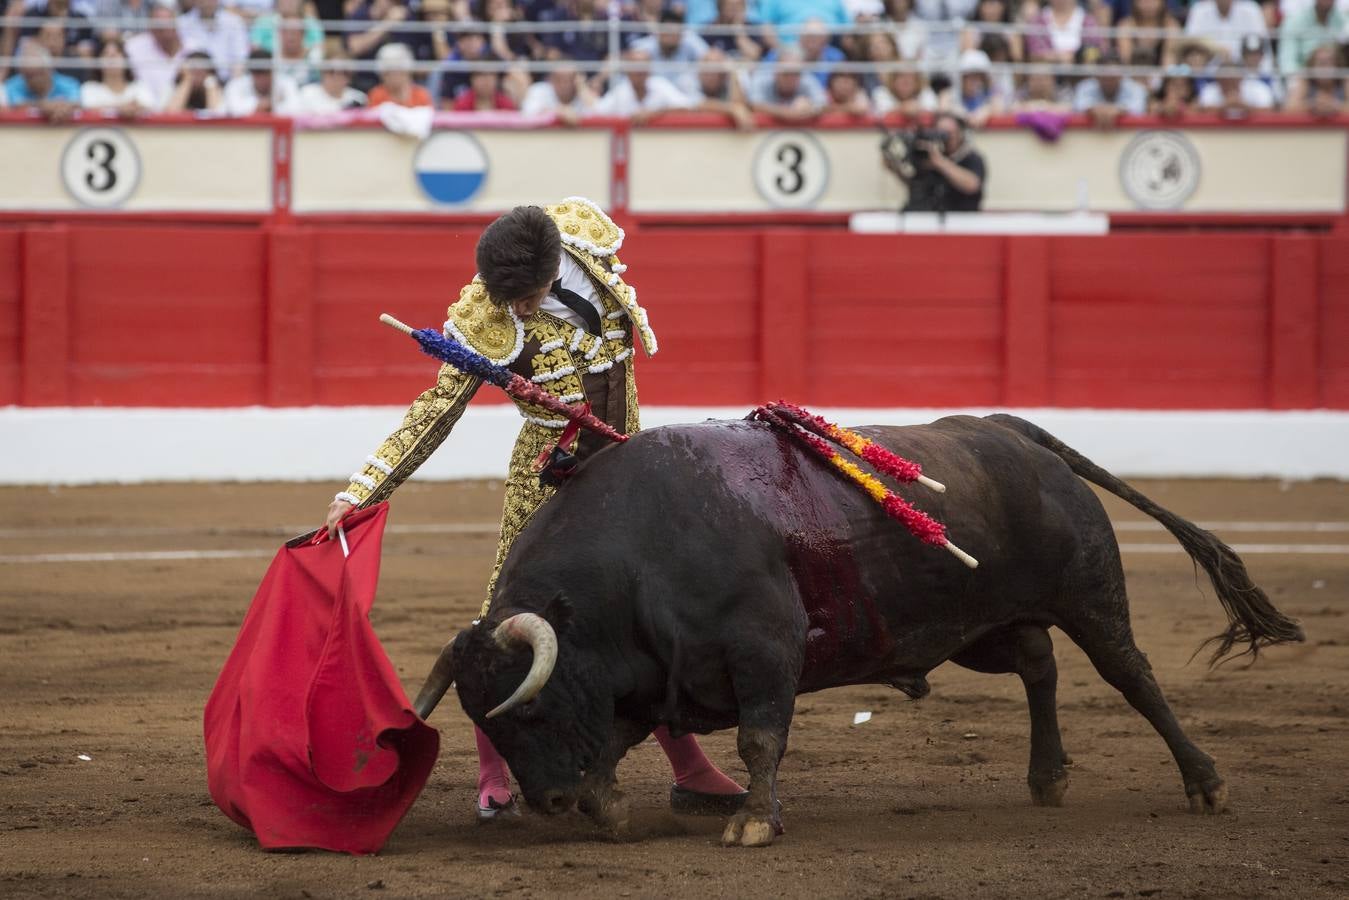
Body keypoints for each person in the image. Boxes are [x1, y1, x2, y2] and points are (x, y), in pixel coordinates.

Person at [323, 201, 747, 820]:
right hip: (547, 480)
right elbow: (436, 410)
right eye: (507, 299)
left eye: (526, 297)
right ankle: (492, 773)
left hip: (627, 470)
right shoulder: (487, 314)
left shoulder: (590, 252)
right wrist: (361, 490)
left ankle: (692, 770)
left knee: (649, 618)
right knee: (506, 616)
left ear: (556, 268)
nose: (515, 311)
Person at [885, 110, 985, 213]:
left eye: (950, 133)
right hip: (927, 215)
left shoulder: (971, 157)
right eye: (941, 132)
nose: (947, 138)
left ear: (960, 133)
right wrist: (895, 167)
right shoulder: (927, 155)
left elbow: (972, 185)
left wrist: (940, 163)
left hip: (961, 217)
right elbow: (915, 184)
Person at [125, 1, 191, 110]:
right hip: (145, 113)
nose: (164, 31)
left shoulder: (192, 48)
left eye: (167, 24)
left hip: (184, 111)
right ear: (150, 27)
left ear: (176, 23)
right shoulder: (134, 47)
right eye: (159, 26)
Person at [591, 47, 691, 119]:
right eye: (635, 66)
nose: (639, 71)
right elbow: (596, 114)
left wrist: (655, 113)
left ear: (649, 69)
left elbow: (687, 108)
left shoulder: (660, 84)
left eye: (643, 66)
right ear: (627, 70)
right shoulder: (620, 92)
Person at [628, 8, 710, 95]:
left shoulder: (690, 40)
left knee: (687, 81)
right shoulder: (644, 48)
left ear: (682, 34)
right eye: (668, 31)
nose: (671, 36)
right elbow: (631, 58)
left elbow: (710, 56)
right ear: (659, 31)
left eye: (675, 32)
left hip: (684, 97)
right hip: (653, 97)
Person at [748, 44, 826, 119]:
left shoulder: (807, 79)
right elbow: (754, 105)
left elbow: (823, 105)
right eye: (786, 73)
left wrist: (810, 107)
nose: (790, 78)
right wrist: (789, 113)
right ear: (776, 71)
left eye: (795, 73)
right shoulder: (763, 78)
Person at [177, 0, 250, 81]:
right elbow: (180, 59)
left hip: (227, 83)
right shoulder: (181, 24)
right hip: (192, 83)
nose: (207, 2)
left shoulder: (235, 22)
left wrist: (231, 88)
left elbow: (240, 59)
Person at [4, 40, 80, 117]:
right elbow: (17, 105)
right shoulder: (12, 85)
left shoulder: (69, 84)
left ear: (49, 70)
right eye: (28, 76)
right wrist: (42, 106)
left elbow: (76, 103)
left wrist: (63, 108)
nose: (34, 80)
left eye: (38, 74)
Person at [80, 37, 156, 113]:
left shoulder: (139, 87)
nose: (112, 57)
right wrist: (120, 108)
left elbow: (150, 108)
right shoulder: (90, 88)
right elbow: (88, 109)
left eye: (117, 53)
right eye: (106, 54)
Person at [1073, 48, 1149, 122]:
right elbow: (1078, 107)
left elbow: (1139, 109)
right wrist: (1095, 110)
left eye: (1113, 76)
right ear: (1096, 75)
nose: (1109, 80)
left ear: (1121, 75)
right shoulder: (1084, 86)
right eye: (1105, 76)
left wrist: (1118, 110)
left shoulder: (1136, 88)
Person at [223, 46, 300, 114]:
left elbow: (296, 108)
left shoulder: (287, 82)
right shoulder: (236, 85)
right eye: (258, 74)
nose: (262, 79)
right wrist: (258, 105)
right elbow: (233, 108)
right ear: (251, 73)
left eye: (266, 73)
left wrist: (271, 106)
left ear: (272, 71)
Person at [1183, 0, 1267, 62]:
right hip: (1207, 72)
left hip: (1245, 74)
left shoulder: (1251, 10)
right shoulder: (1199, 10)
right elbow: (1189, 41)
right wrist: (1215, 48)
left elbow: (1261, 45)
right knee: (1195, 56)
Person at [520, 59, 596, 120]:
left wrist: (582, 87)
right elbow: (528, 112)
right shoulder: (539, 90)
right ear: (551, 79)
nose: (564, 85)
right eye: (559, 80)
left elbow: (599, 112)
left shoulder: (583, 93)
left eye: (569, 80)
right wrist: (560, 112)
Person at [1279, 0, 1344, 73]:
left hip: (1338, 79)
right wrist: (1299, 78)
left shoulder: (1343, 21)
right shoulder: (1294, 21)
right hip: (1303, 78)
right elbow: (1287, 63)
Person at [293, 49, 367, 112]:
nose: (337, 76)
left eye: (344, 72)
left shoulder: (358, 98)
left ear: (350, 77)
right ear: (322, 72)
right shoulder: (307, 94)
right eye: (331, 71)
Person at [1116, 0, 1180, 67]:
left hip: (1161, 75)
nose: (1148, 4)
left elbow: (1169, 64)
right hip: (1132, 75)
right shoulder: (1125, 26)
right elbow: (1126, 62)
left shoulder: (1171, 26)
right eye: (1143, 1)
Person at [367, 40, 432, 106]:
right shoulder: (376, 94)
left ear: (407, 72)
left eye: (397, 71)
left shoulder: (421, 94)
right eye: (388, 73)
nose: (393, 77)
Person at [449, 54, 518, 110]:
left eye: (489, 75)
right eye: (480, 75)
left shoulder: (506, 105)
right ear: (472, 79)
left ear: (496, 79)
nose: (485, 81)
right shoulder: (462, 105)